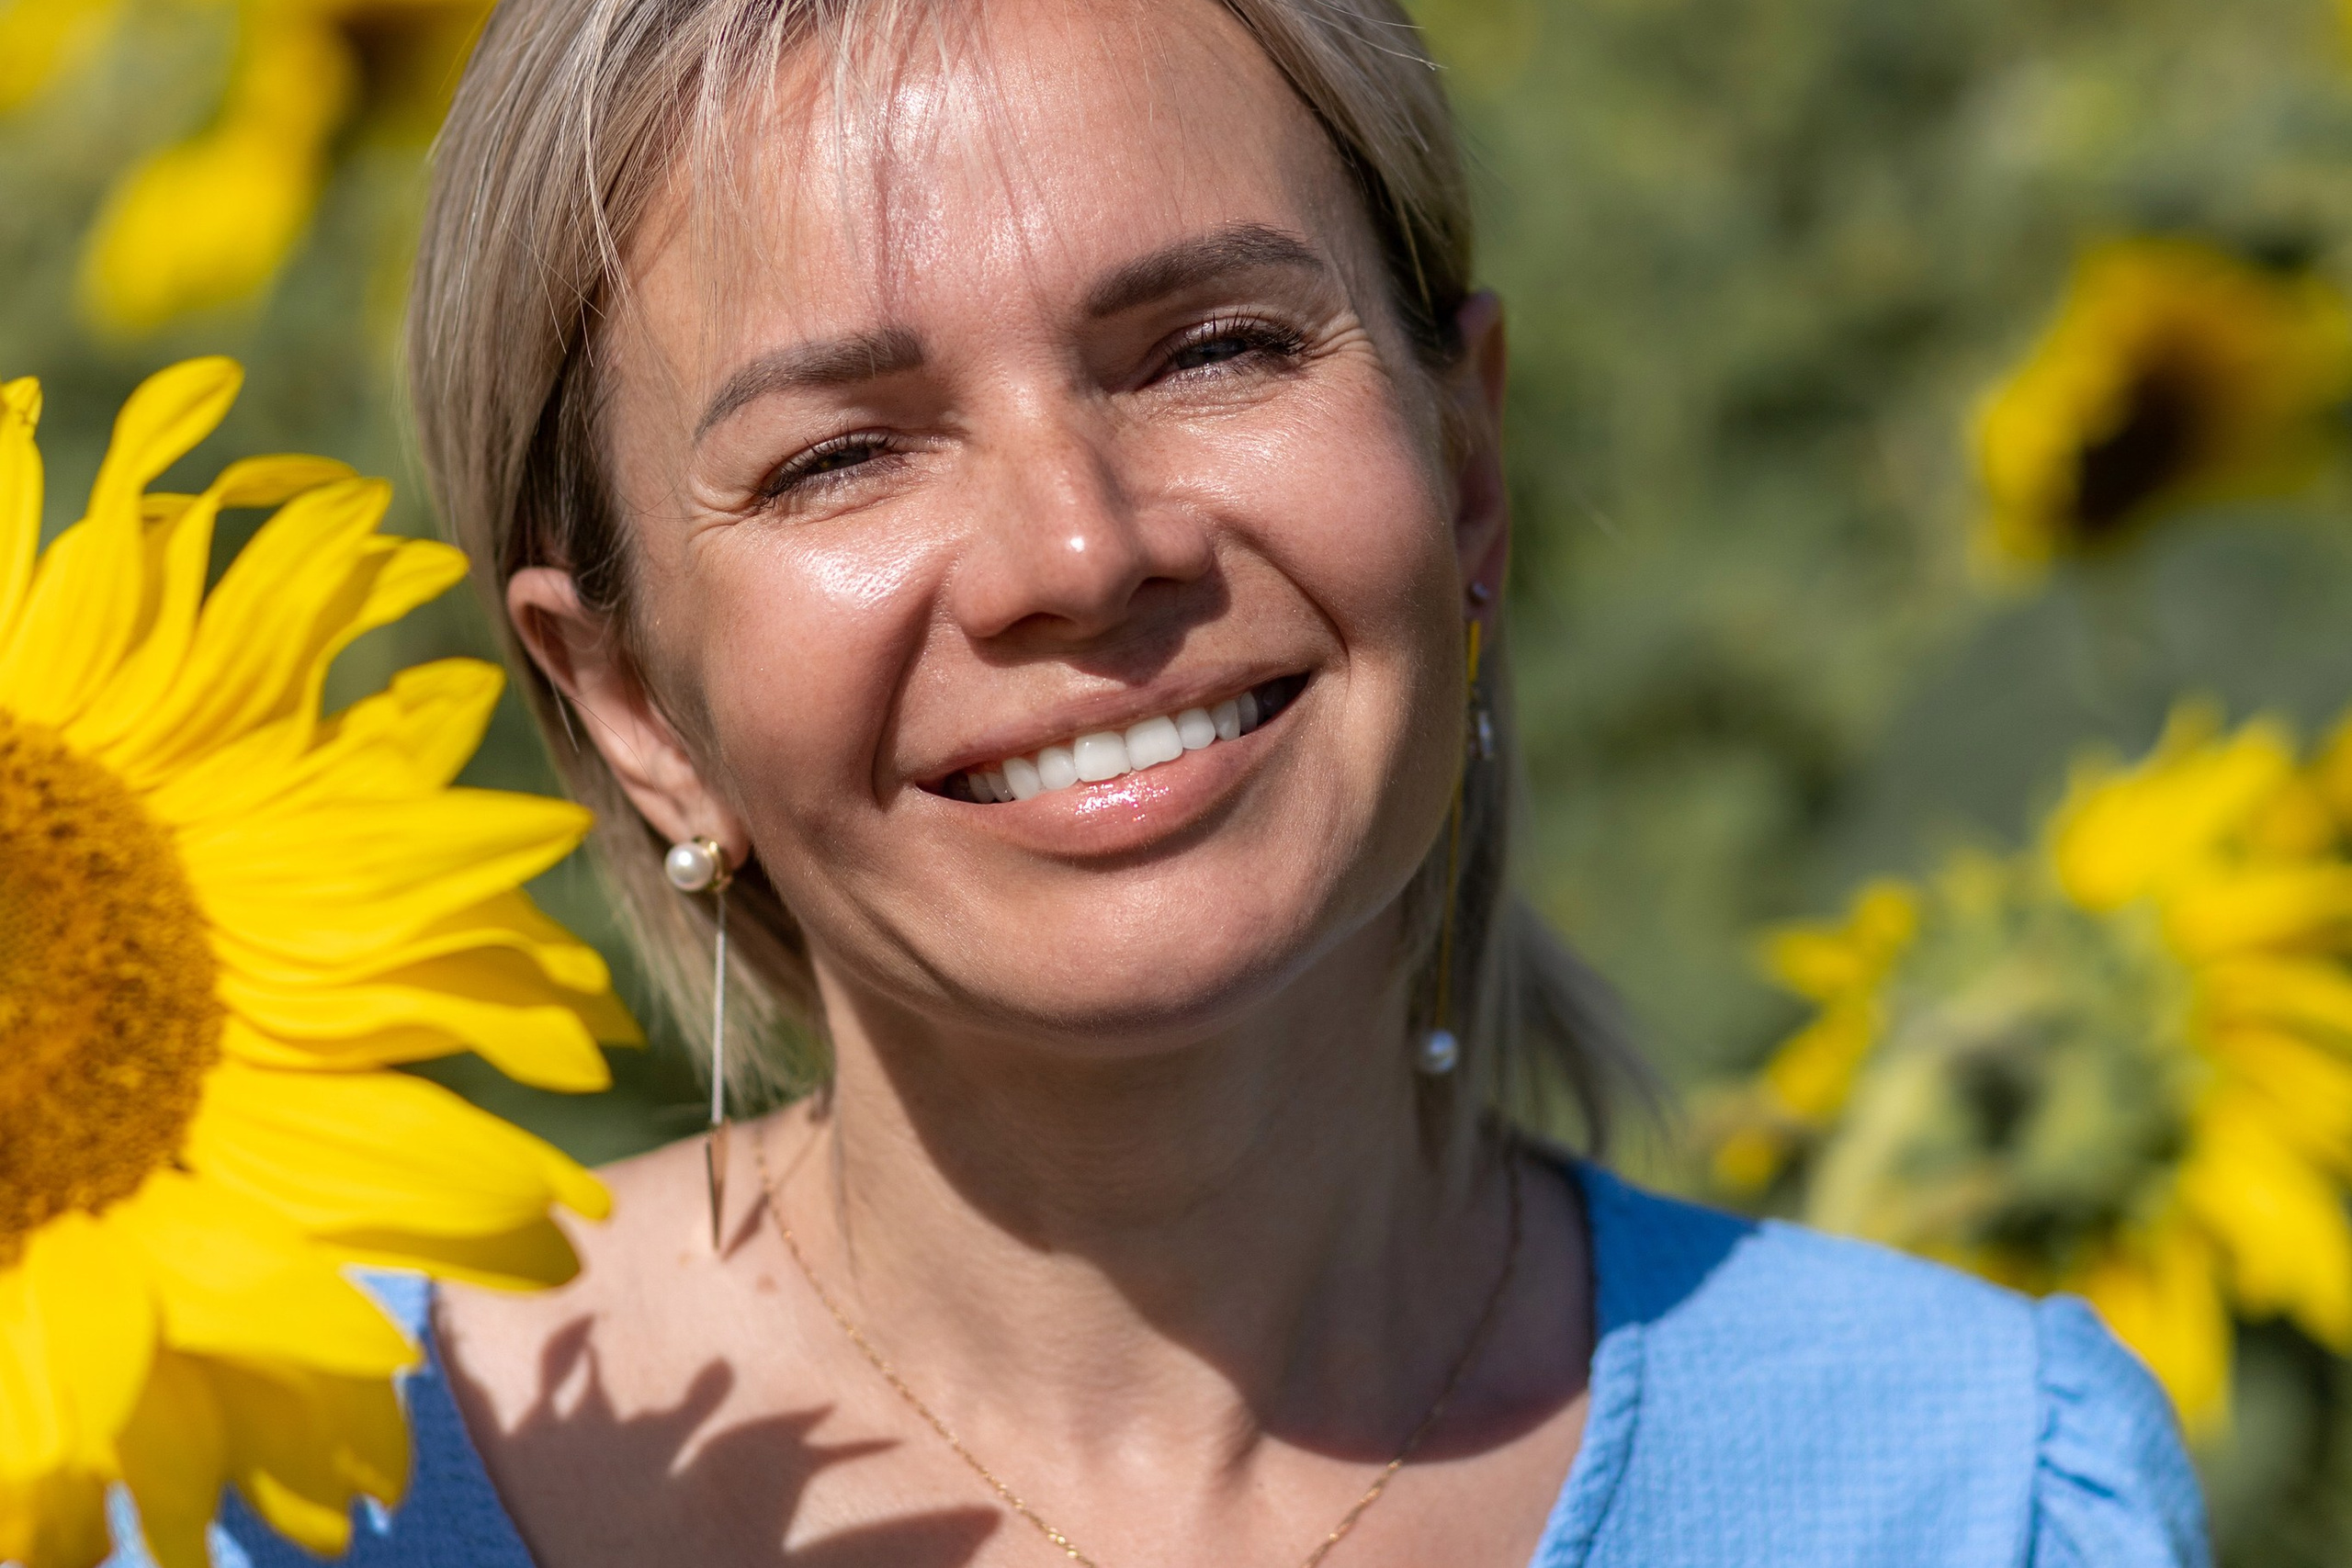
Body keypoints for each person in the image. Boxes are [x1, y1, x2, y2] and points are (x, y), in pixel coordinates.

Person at [180, 0, 2207, 1563]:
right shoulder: (250, 1479)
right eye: (839, 454)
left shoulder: (1968, 1487)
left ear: (1466, 467)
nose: (1077, 550)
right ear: (622, 699)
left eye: (1206, 348)